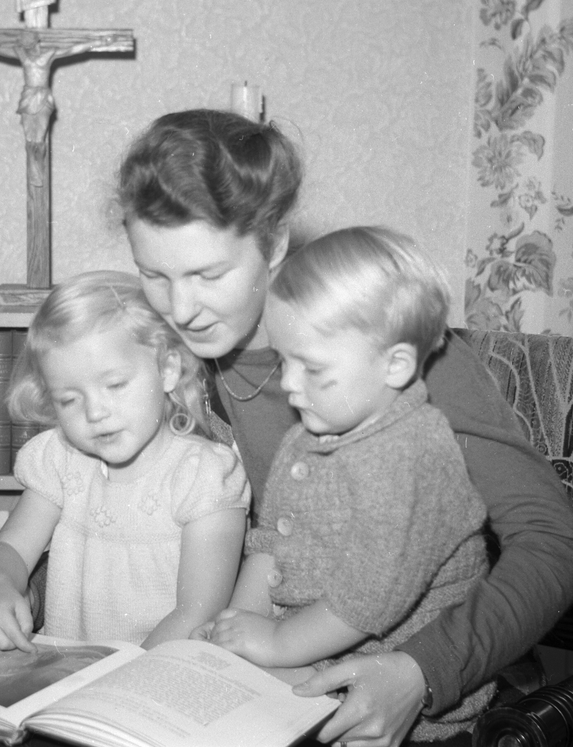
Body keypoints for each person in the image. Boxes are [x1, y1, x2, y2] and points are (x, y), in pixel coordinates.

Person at [116, 109, 573, 747]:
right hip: (288, 675)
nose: (180, 310)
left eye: (208, 275)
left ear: (274, 244)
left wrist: (421, 672)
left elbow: (558, 549)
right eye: (154, 275)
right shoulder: (191, 358)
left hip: (439, 691)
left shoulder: (397, 355)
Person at [196, 226, 494, 742]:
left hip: (402, 700)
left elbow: (366, 601)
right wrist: (237, 624)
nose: (289, 384)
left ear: (395, 365)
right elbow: (273, 544)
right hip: (316, 655)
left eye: (312, 368)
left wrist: (274, 643)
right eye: (284, 360)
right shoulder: (311, 432)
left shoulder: (414, 457)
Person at [0, 269, 250, 652]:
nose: (94, 412)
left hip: (161, 668)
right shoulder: (60, 460)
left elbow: (197, 614)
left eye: (115, 385)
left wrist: (119, 677)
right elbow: (9, 551)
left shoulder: (205, 476)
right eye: (69, 399)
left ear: (167, 369)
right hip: (68, 671)